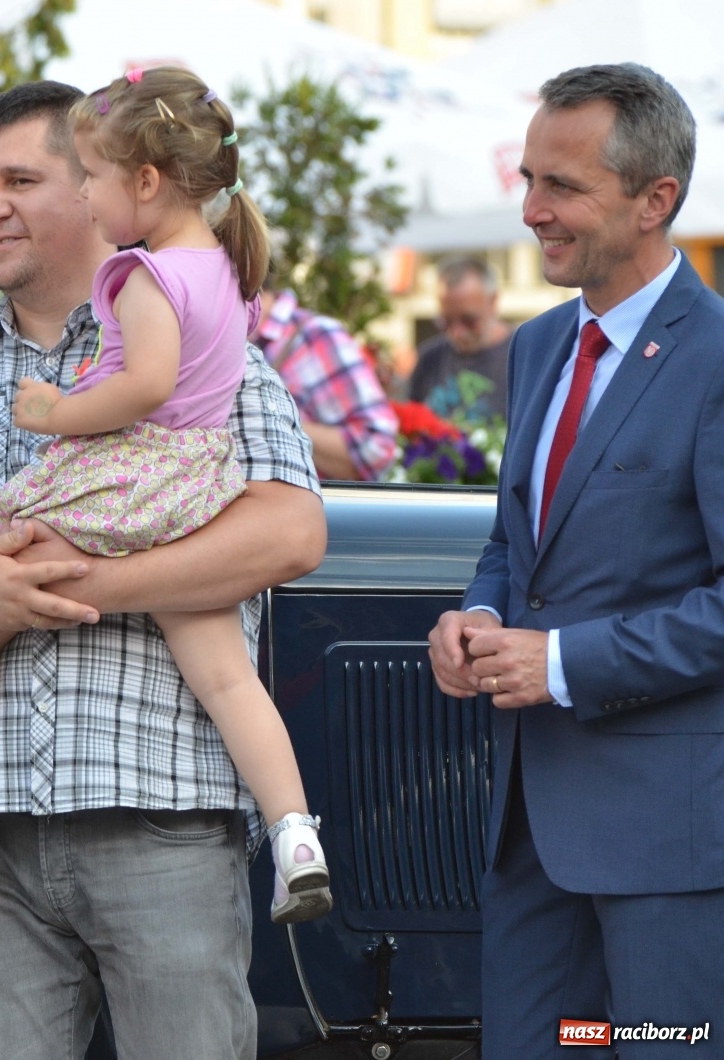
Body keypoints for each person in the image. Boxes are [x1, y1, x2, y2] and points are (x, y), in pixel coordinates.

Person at [0, 80, 326, 1058]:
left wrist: (80, 589)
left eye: (19, 179)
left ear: (105, 188)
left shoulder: (213, 345)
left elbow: (290, 534)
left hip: (158, 810)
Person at [427, 63, 724, 1057]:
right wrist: (476, 615)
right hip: (527, 835)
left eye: (561, 187)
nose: (532, 211)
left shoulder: (716, 360)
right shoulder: (542, 343)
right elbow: (518, 546)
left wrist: (557, 662)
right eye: (526, 180)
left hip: (667, 857)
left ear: (656, 201)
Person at [255, 283, 400, 480]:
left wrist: (262, 421)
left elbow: (376, 450)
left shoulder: (313, 335)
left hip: (315, 507)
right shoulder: (225, 342)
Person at [411, 257, 512, 421]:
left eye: (469, 321)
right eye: (446, 322)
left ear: (492, 302)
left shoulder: (521, 354)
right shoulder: (429, 359)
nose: (457, 333)